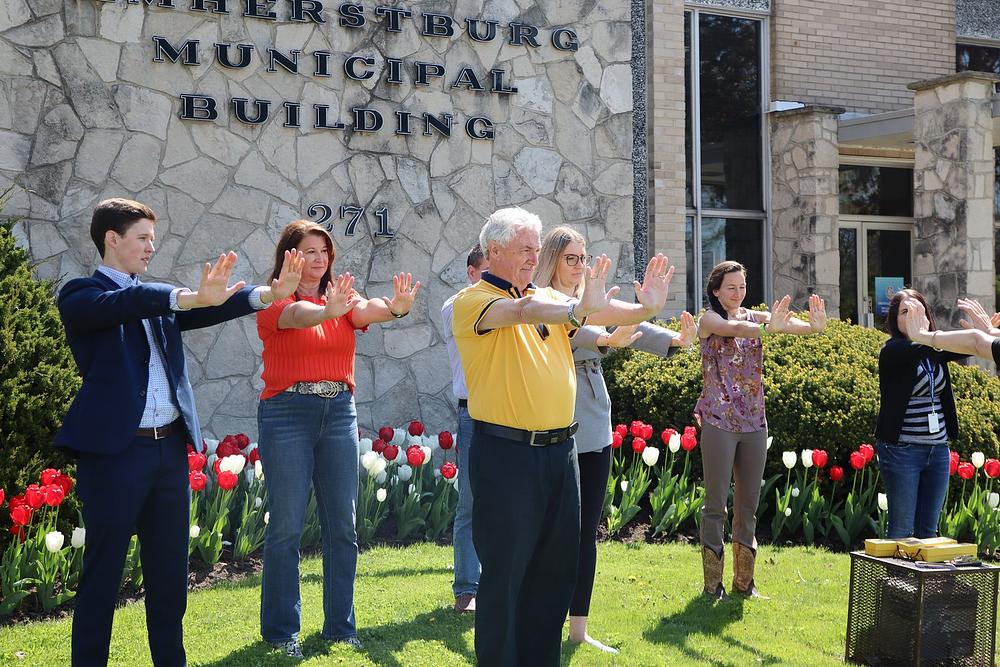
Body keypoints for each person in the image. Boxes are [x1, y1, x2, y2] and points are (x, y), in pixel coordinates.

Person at [56, 198, 303, 667]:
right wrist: (183, 296)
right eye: (143, 238)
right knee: (103, 574)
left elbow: (206, 307)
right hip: (114, 456)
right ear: (112, 239)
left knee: (169, 575)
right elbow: (131, 302)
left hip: (168, 451)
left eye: (153, 237)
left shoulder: (156, 297)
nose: (153, 246)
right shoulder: (82, 295)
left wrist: (267, 294)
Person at [452, 206, 673, 667]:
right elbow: (525, 308)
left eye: (537, 247)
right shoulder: (474, 301)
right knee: (506, 577)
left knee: (553, 576)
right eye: (524, 248)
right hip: (507, 455)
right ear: (493, 251)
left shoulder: (549, 298)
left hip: (560, 454)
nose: (535, 256)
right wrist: (577, 305)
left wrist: (647, 306)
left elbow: (602, 315)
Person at [255, 219, 420, 659]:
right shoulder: (275, 298)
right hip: (287, 413)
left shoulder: (342, 297)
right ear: (290, 255)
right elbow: (296, 316)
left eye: (324, 252)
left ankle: (340, 628)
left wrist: (397, 307)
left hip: (338, 413)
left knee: (343, 528)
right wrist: (328, 310)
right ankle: (280, 631)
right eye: (309, 251)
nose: (319, 259)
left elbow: (367, 311)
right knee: (287, 527)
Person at [534, 226, 697, 653]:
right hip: (552, 424)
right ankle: (538, 619)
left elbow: (620, 315)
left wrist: (671, 335)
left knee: (585, 530)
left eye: (583, 258)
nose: (580, 266)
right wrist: (608, 337)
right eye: (572, 258)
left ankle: (579, 629)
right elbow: (584, 326)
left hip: (593, 422)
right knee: (552, 531)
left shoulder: (593, 296)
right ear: (551, 260)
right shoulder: (539, 300)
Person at [694, 261, 826, 600]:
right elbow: (735, 331)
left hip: (754, 422)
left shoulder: (755, 317)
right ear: (716, 291)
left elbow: (784, 325)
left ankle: (744, 583)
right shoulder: (708, 320)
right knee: (715, 505)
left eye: (741, 287)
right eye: (730, 288)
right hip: (718, 422)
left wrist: (814, 327)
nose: (737, 293)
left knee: (748, 504)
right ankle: (712, 586)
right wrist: (768, 329)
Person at [873, 289, 970, 540]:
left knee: (929, 531)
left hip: (937, 450)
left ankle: (927, 581)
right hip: (902, 451)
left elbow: (962, 349)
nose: (913, 315)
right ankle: (895, 579)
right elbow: (920, 349)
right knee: (901, 529)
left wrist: (984, 333)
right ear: (895, 321)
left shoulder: (934, 349)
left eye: (919, 310)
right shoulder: (893, 351)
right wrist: (928, 338)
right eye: (906, 312)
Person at [441, 244, 488, 614]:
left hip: (512, 415)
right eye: (487, 271)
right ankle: (467, 590)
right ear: (471, 272)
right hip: (474, 413)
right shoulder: (455, 306)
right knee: (471, 504)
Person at [902, 296, 1000, 366]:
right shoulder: (892, 348)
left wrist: (921, 335)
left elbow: (975, 343)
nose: (912, 315)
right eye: (905, 311)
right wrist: (989, 333)